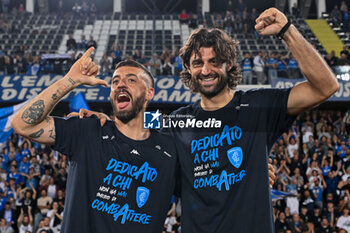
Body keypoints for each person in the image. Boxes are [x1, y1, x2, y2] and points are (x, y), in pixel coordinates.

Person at [64, 7, 339, 233]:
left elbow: (325, 87)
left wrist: (287, 31)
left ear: (229, 63)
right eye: (198, 63)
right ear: (188, 68)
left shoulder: (257, 105)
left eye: (214, 61)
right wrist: (105, 118)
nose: (206, 70)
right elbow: (133, 124)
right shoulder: (177, 120)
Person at [11, 47, 178, 233]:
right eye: (115, 81)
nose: (121, 84)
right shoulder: (88, 129)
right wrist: (69, 81)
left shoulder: (170, 148)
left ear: (149, 93)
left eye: (131, 80)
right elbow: (22, 124)